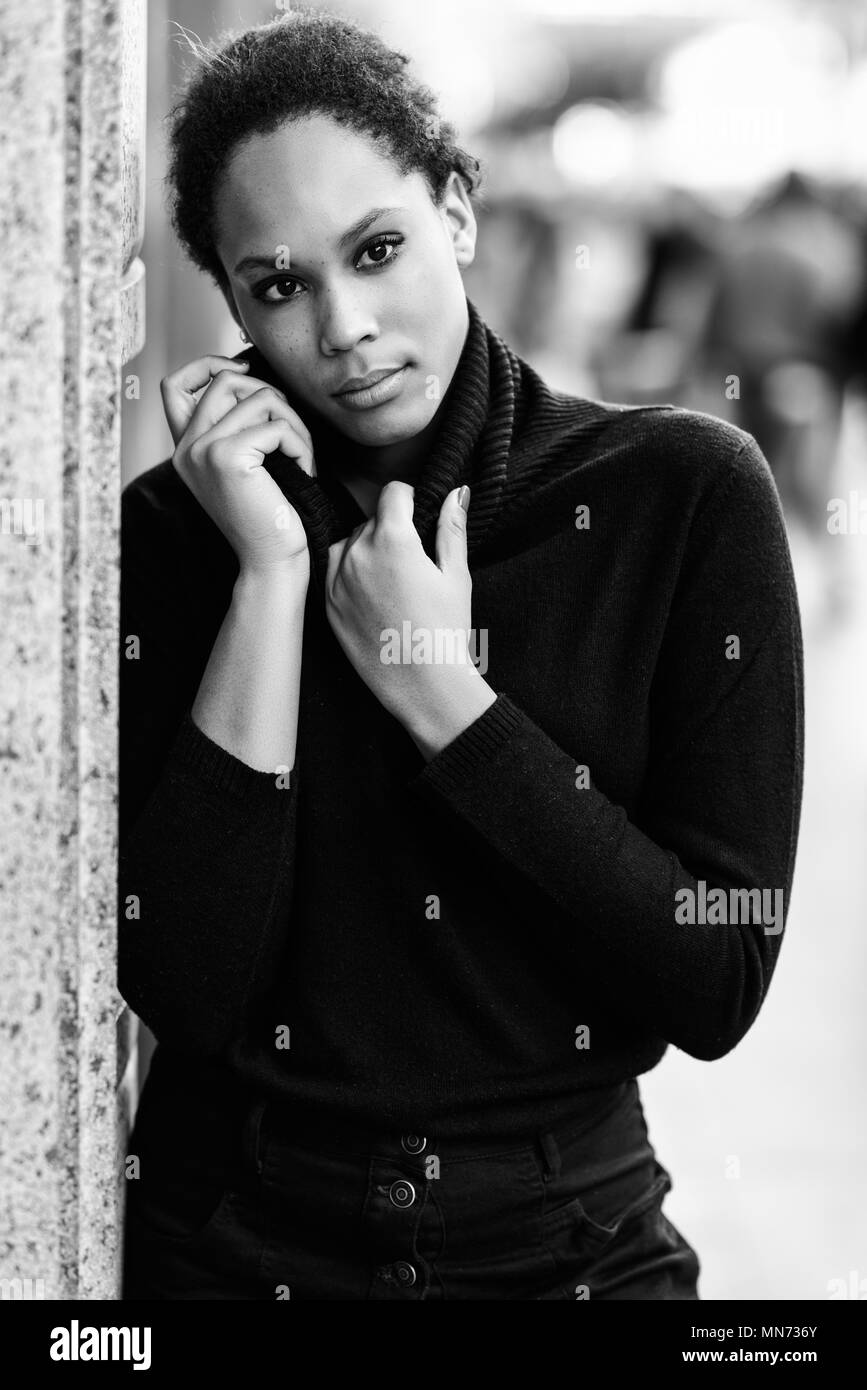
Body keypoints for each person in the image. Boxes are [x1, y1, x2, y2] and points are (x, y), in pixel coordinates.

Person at [118, 9, 804, 1301]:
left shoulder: (679, 493)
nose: (347, 325)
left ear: (459, 213)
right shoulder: (174, 536)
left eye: (377, 248)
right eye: (279, 284)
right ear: (233, 305)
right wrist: (269, 578)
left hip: (570, 1246)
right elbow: (181, 987)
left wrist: (445, 695)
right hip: (228, 1242)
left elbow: (714, 976)